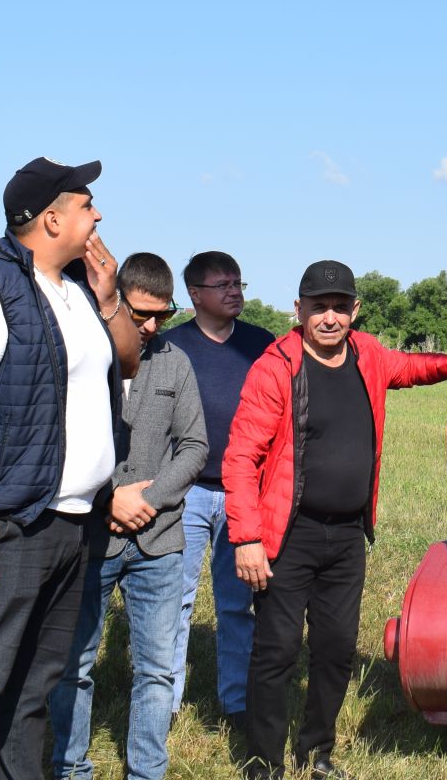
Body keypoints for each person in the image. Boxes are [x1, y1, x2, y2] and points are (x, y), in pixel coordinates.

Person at [225, 260, 447, 780]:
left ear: (355, 310)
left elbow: (409, 368)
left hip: (346, 536)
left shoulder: (368, 355)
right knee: (278, 652)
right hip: (288, 534)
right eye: (318, 308)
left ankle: (317, 753)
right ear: (299, 310)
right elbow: (241, 457)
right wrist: (246, 538)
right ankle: (261, 761)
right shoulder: (276, 368)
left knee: (335, 652)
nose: (330, 318)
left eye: (340, 308)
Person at [0, 159, 143, 780]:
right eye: (87, 204)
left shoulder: (71, 293)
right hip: (10, 522)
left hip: (72, 523)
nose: (98, 216)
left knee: (34, 688)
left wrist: (108, 293)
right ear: (51, 218)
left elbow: (128, 361)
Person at [49, 252, 206, 780]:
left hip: (160, 542)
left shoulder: (175, 361)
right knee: (75, 666)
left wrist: (149, 499)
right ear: (112, 299)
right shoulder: (83, 355)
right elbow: (56, 442)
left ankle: (147, 771)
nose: (151, 326)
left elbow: (194, 446)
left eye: (162, 314)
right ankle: (71, 768)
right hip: (89, 539)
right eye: (140, 314)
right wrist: (108, 498)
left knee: (158, 670)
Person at [161, 251, 273, 721]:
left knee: (236, 603)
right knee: (175, 602)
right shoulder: (169, 347)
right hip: (185, 492)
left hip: (243, 494)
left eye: (238, 284)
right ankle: (164, 706)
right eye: (223, 285)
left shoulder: (262, 344)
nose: (235, 292)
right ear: (194, 295)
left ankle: (236, 702)